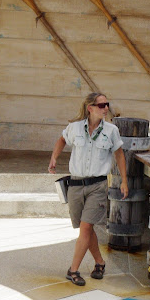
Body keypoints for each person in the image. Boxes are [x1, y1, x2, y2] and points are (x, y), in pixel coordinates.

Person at [49, 92, 128, 286]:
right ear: (90, 108)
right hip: (75, 185)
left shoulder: (111, 131)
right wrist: (54, 158)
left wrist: (124, 181)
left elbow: (119, 155)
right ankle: (100, 263)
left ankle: (73, 270)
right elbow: (61, 140)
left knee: (85, 227)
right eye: (101, 105)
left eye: (107, 104)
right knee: (87, 227)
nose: (106, 108)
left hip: (97, 185)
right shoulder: (74, 128)